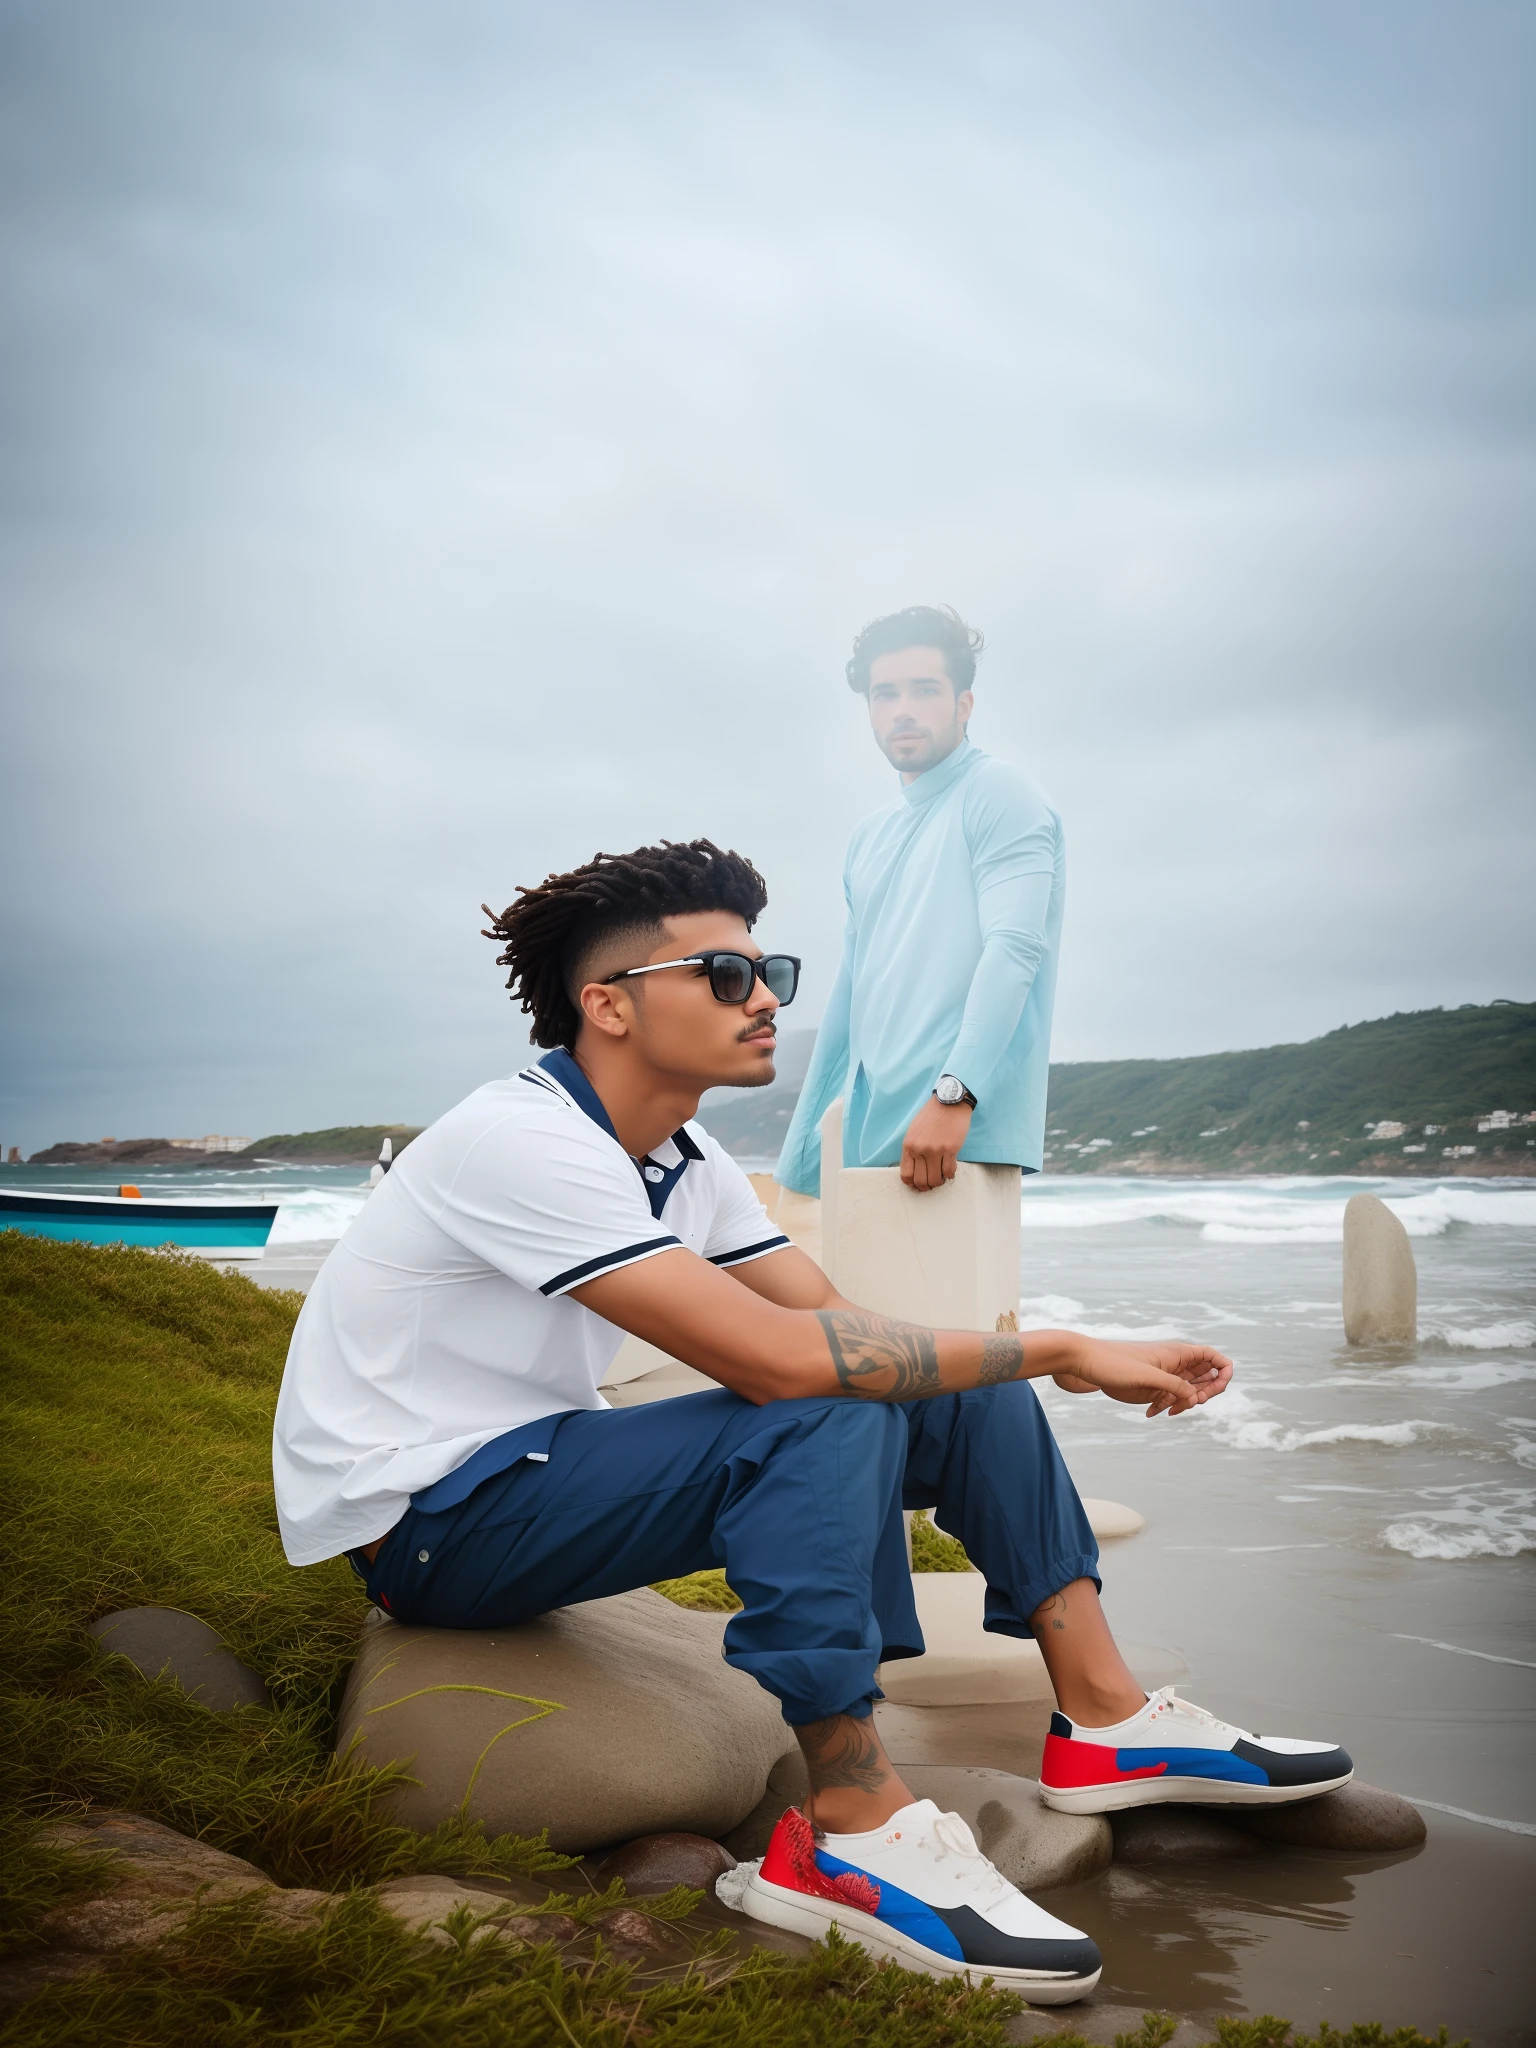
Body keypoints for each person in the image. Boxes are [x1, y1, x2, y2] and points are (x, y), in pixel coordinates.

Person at [272, 839, 1352, 2005]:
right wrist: (1059, 1346)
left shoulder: (683, 1158)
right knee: (822, 1400)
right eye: (725, 975)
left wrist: (1035, 1360)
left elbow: (843, 1322)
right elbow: (778, 1358)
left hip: (540, 1471)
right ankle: (848, 1828)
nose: (767, 1000)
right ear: (609, 1005)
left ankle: (1108, 1716)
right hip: (434, 1525)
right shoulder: (519, 1139)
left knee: (944, 1376)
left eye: (770, 970)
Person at [777, 604, 1062, 1201]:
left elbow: (1014, 949)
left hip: (957, 1139)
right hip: (867, 1139)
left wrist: (954, 1095)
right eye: (885, 694)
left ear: (964, 704)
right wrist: (803, 1157)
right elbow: (852, 996)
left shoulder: (999, 793)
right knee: (855, 1300)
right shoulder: (868, 836)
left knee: (950, 1300)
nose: (902, 709)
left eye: (924, 689)